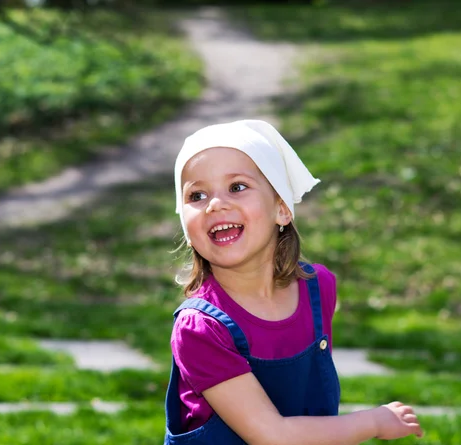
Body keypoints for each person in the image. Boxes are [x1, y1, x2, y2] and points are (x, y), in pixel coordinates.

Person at [163, 119, 423, 445]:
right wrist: (373, 421)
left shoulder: (319, 288)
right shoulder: (200, 329)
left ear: (282, 209)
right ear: (187, 229)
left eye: (237, 187)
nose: (216, 204)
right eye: (197, 195)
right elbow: (273, 435)